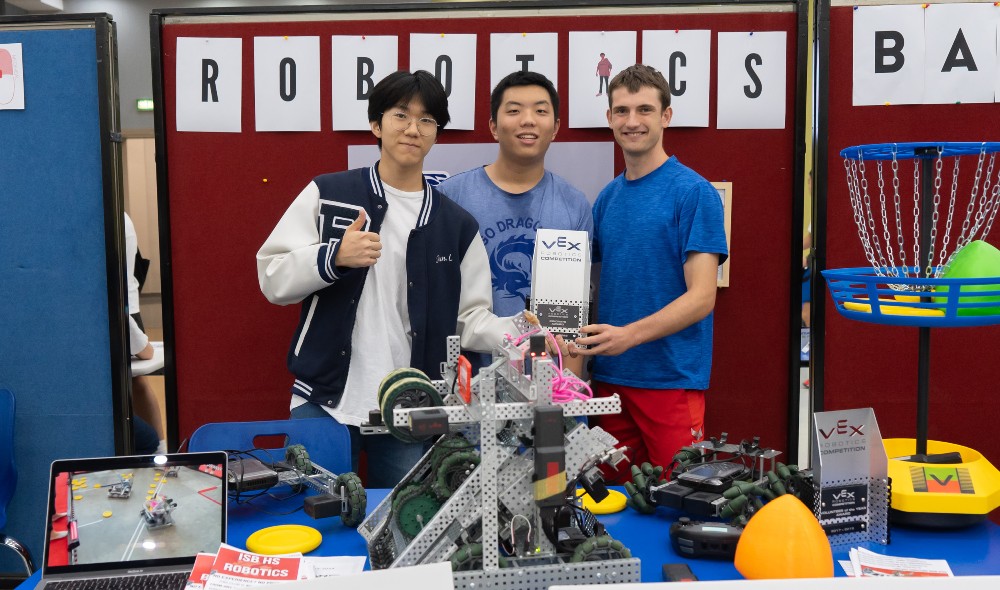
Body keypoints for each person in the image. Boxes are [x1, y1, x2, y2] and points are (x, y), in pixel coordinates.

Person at [257, 70, 515, 488]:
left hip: (412, 406)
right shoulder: (329, 194)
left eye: (427, 120)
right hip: (325, 399)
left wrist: (521, 332)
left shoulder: (455, 224)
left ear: (436, 133)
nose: (413, 129)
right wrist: (334, 256)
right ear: (376, 124)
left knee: (403, 528)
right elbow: (272, 277)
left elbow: (470, 319)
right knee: (312, 519)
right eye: (401, 115)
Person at [570, 64, 728, 483]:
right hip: (609, 384)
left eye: (644, 109)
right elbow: (586, 283)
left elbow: (702, 297)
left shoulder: (693, 193)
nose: (632, 121)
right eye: (621, 111)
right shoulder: (607, 198)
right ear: (609, 119)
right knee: (610, 500)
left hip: (670, 382)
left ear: (666, 116)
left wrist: (628, 336)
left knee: (682, 497)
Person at [437, 71, 592, 371]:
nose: (528, 120)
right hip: (467, 384)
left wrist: (568, 391)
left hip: (549, 381)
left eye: (540, 110)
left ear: (556, 127)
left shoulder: (574, 205)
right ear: (494, 126)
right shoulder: (450, 197)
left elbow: (577, 313)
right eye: (514, 110)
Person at [124, 212, 165, 454]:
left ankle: (159, 451)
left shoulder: (115, 216)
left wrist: (139, 342)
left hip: (126, 308)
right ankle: (157, 449)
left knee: (136, 381)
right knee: (134, 381)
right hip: (125, 308)